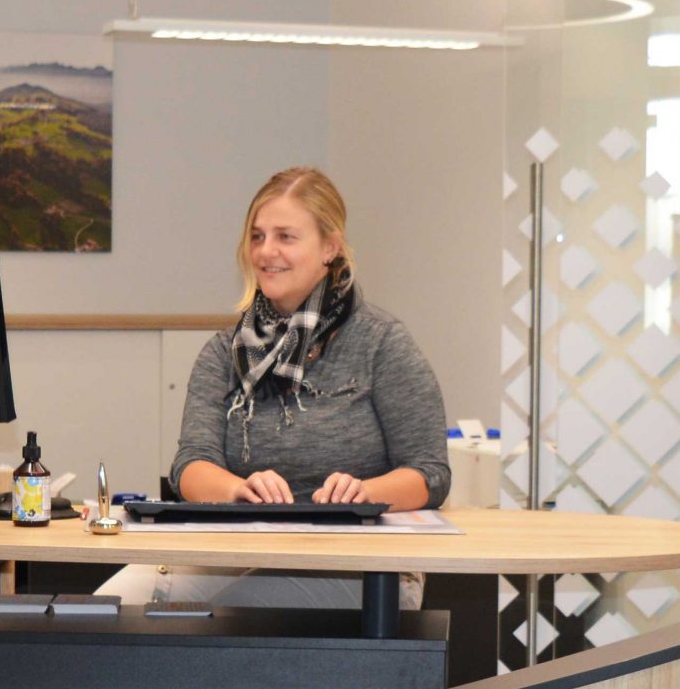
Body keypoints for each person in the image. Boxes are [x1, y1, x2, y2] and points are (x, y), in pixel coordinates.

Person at [99, 166, 449, 610]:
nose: (266, 251)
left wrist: (366, 494)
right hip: (240, 550)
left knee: (219, 620)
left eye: (286, 237)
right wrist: (237, 491)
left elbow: (430, 472)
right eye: (258, 236)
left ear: (330, 247)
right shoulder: (224, 351)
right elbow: (191, 465)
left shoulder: (382, 343)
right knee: (105, 611)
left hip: (365, 564)